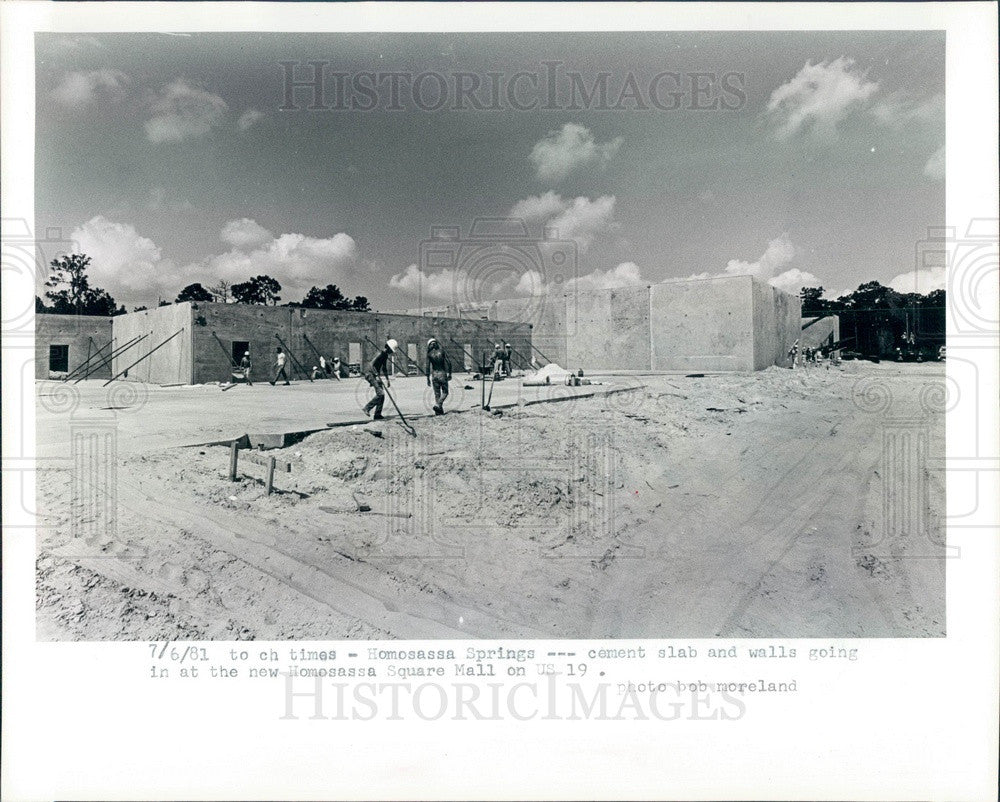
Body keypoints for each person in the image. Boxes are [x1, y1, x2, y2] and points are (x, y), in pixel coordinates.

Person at [363, 338, 397, 419]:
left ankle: (377, 414)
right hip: (370, 373)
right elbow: (371, 364)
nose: (391, 352)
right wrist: (376, 375)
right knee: (380, 393)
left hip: (375, 374)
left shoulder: (385, 355)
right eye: (391, 350)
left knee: (382, 395)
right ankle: (367, 408)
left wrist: (387, 379)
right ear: (388, 347)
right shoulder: (380, 353)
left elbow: (384, 368)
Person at [426, 338, 452, 415]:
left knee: (437, 394)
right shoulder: (442, 351)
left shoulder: (429, 354)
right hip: (442, 373)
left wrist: (427, 378)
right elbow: (449, 363)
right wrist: (450, 373)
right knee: (445, 392)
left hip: (434, 374)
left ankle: (438, 412)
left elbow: (427, 367)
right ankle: (438, 404)